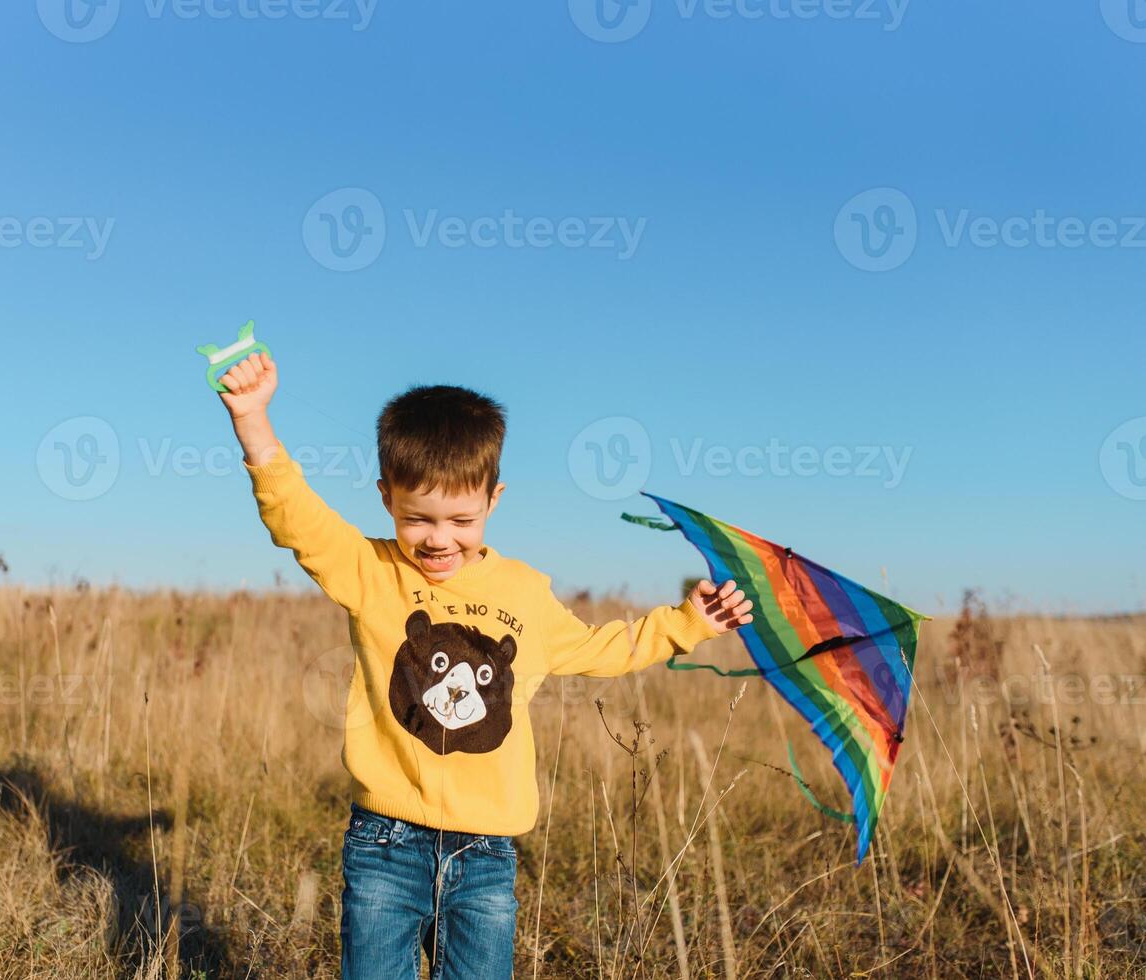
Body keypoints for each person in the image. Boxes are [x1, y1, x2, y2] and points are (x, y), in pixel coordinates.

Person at [215, 352, 753, 979]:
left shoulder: (524, 591)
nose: (438, 538)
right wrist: (253, 421)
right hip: (384, 845)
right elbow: (296, 518)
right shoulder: (372, 571)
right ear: (386, 496)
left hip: (485, 854)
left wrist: (688, 623)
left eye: (460, 520)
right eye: (417, 518)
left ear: (494, 500)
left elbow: (604, 648)